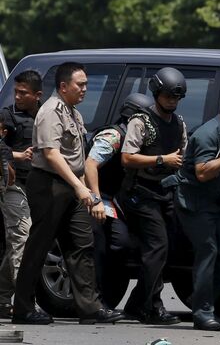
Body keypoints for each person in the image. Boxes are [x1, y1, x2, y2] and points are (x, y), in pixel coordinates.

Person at [12, 62, 124, 325]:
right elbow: (51, 155)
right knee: (39, 246)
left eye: (86, 84)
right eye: (80, 84)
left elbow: (77, 158)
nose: (85, 89)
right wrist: (78, 187)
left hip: (72, 185)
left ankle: (90, 308)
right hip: (49, 184)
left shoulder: (74, 113)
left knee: (81, 245)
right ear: (64, 86)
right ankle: (23, 309)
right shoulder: (51, 111)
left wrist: (87, 192)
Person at [167, 91, 220, 331]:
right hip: (195, 201)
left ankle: (202, 298)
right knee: (208, 250)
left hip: (216, 201)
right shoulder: (207, 134)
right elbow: (202, 172)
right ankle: (202, 313)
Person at [118, 67, 187, 325]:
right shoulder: (141, 121)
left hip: (165, 192)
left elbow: (182, 155)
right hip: (140, 194)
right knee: (157, 248)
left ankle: (137, 304)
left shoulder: (179, 123)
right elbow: (127, 158)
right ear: (157, 93)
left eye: (176, 98)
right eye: (168, 96)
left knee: (168, 249)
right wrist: (162, 159)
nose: (172, 101)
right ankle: (152, 307)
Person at [84, 93, 154, 301]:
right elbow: (90, 165)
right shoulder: (114, 137)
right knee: (98, 248)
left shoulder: (137, 139)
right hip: (95, 197)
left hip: (114, 200)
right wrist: (95, 199)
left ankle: (106, 297)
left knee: (120, 244)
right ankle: (94, 301)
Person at [0, 70, 41, 318]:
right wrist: (17, 156)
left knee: (24, 243)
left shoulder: (48, 114)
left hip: (39, 186)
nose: (17, 96)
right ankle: (26, 304)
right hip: (12, 185)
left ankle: (2, 296)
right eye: (15, 91)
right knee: (21, 238)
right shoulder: (6, 115)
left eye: (22, 93)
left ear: (37, 95)